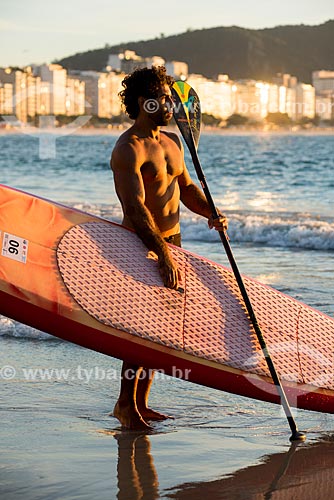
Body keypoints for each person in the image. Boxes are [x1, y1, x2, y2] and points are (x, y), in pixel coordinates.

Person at [110, 66, 228, 430]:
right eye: (164, 97)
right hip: (140, 245)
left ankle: (141, 404)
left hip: (173, 242)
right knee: (140, 329)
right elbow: (135, 208)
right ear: (144, 102)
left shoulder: (173, 142)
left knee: (159, 329)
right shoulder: (128, 149)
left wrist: (211, 210)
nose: (171, 104)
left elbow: (187, 189)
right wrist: (160, 253)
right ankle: (125, 405)